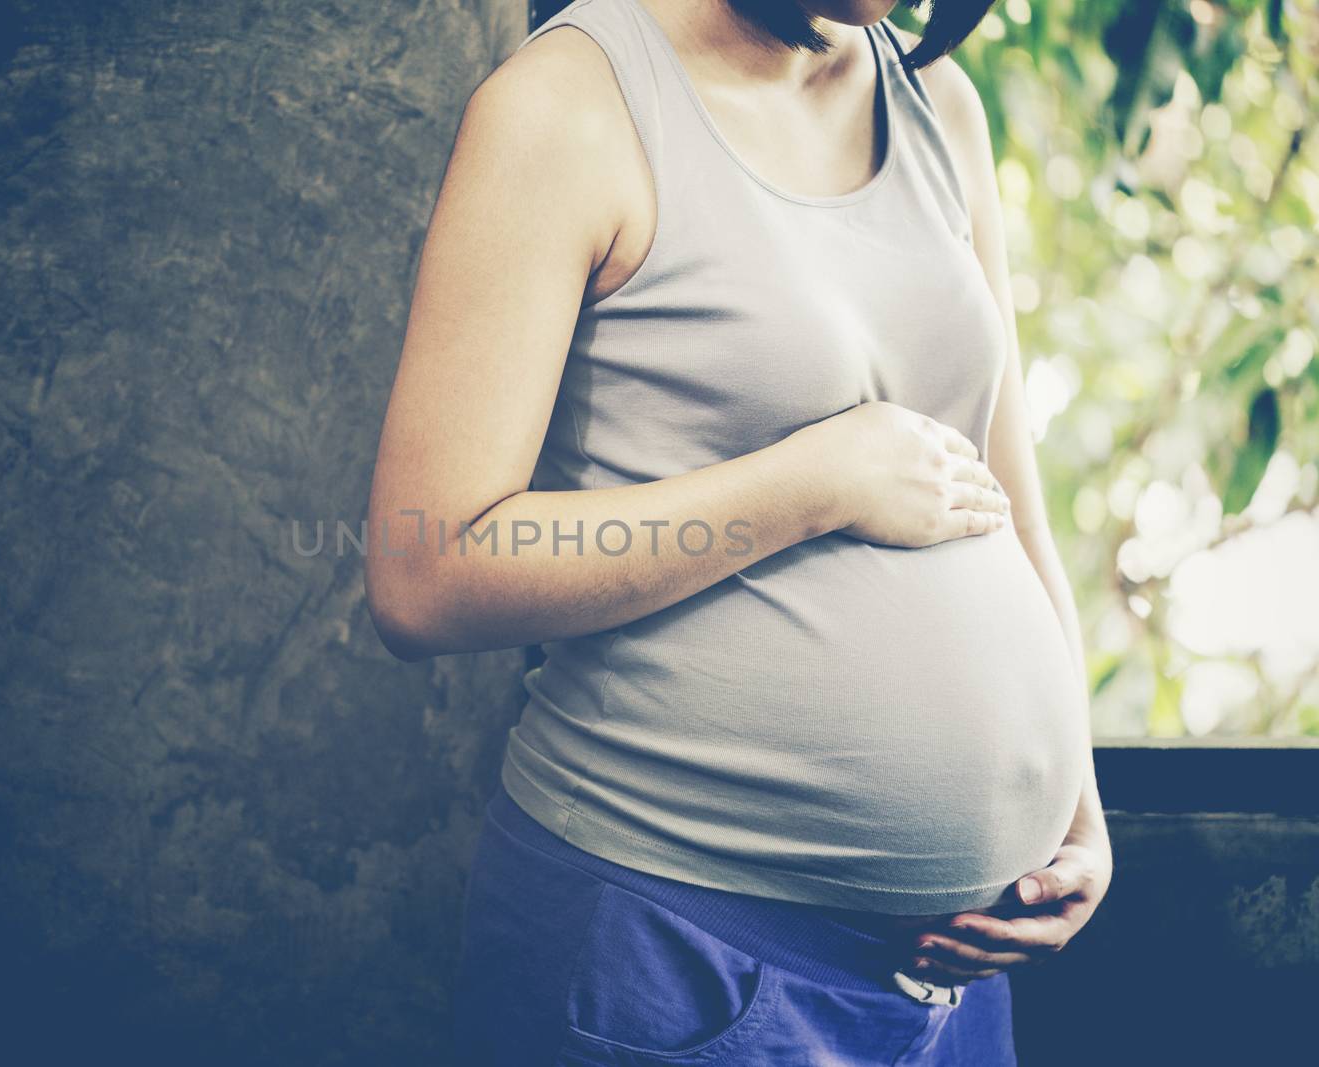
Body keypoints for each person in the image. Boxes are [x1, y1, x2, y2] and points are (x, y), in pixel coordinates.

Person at [364, 0, 1113, 1062]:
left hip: (952, 988)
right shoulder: (567, 108)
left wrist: (1076, 808)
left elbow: (1006, 497)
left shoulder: (938, 103)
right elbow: (423, 571)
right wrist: (809, 483)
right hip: (675, 948)